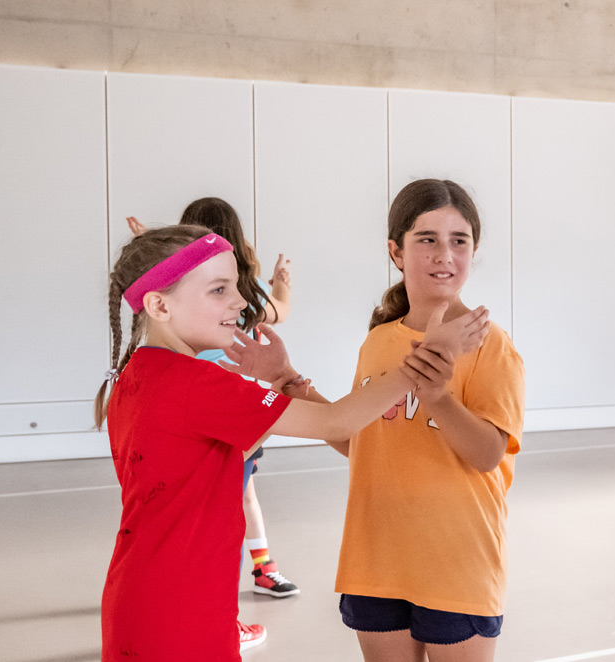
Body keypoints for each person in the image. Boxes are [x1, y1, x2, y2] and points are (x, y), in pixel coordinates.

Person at [95, 224, 488, 660]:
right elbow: (337, 421)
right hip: (181, 612)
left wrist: (283, 381)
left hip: (138, 599)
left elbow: (209, 459)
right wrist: (426, 360)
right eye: (219, 289)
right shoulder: (199, 384)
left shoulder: (138, 375)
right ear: (158, 305)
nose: (242, 302)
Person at [290, 180, 524, 662]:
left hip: (456, 564)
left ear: (473, 252)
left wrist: (438, 397)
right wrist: (294, 385)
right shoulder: (379, 341)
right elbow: (363, 440)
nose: (445, 254)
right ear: (395, 251)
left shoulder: (490, 345)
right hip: (375, 559)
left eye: (459, 241)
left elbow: (487, 455)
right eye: (427, 240)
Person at [131, 199, 299, 607]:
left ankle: (235, 596)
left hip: (231, 416)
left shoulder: (225, 292)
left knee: (226, 506)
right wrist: (282, 284)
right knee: (238, 498)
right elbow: (280, 309)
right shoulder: (245, 291)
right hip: (230, 415)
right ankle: (261, 570)